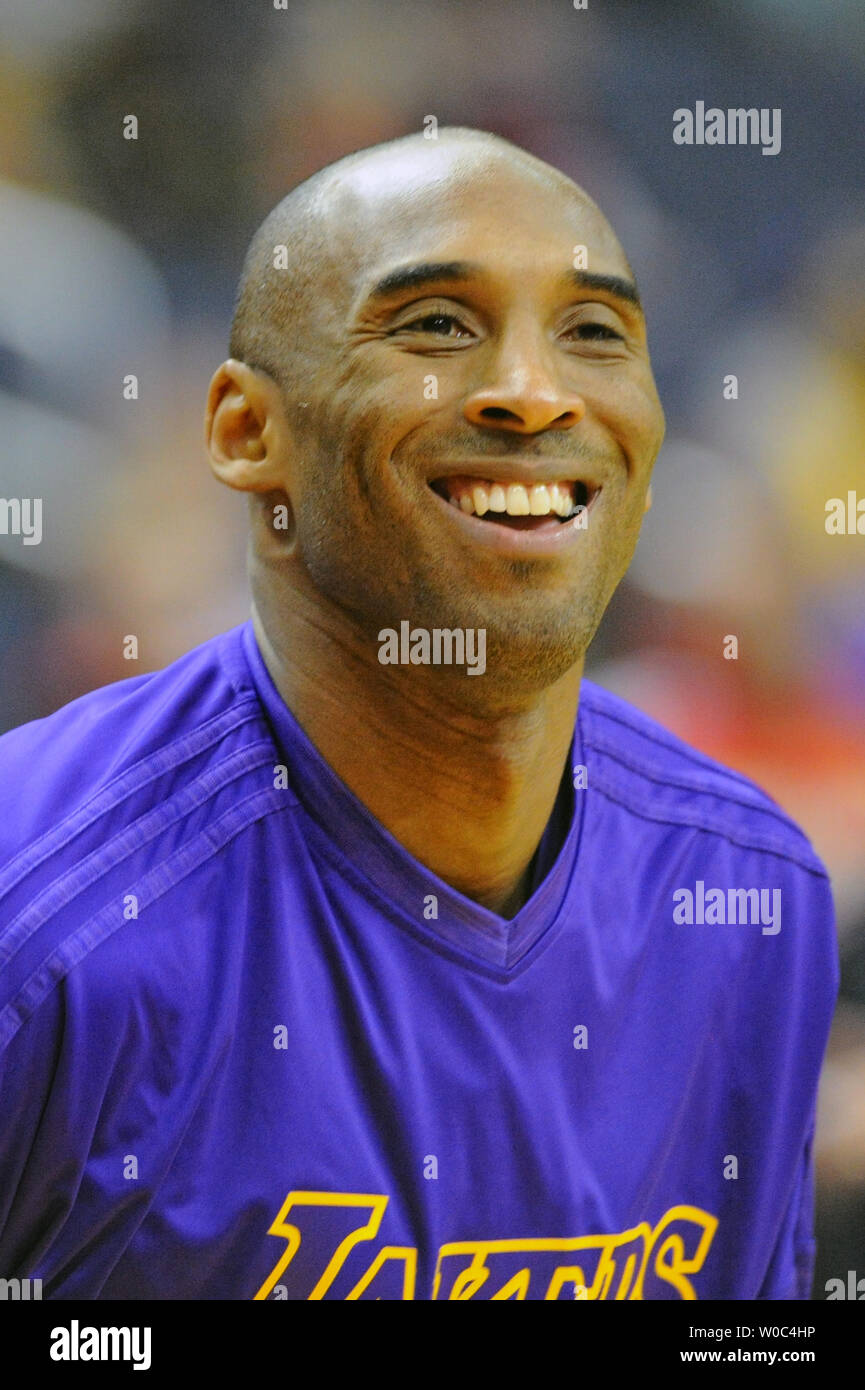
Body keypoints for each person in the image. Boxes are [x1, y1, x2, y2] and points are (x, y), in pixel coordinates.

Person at [0, 128, 837, 1300]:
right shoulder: (40, 908)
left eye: (594, 332)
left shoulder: (749, 892)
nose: (535, 392)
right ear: (248, 433)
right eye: (437, 324)